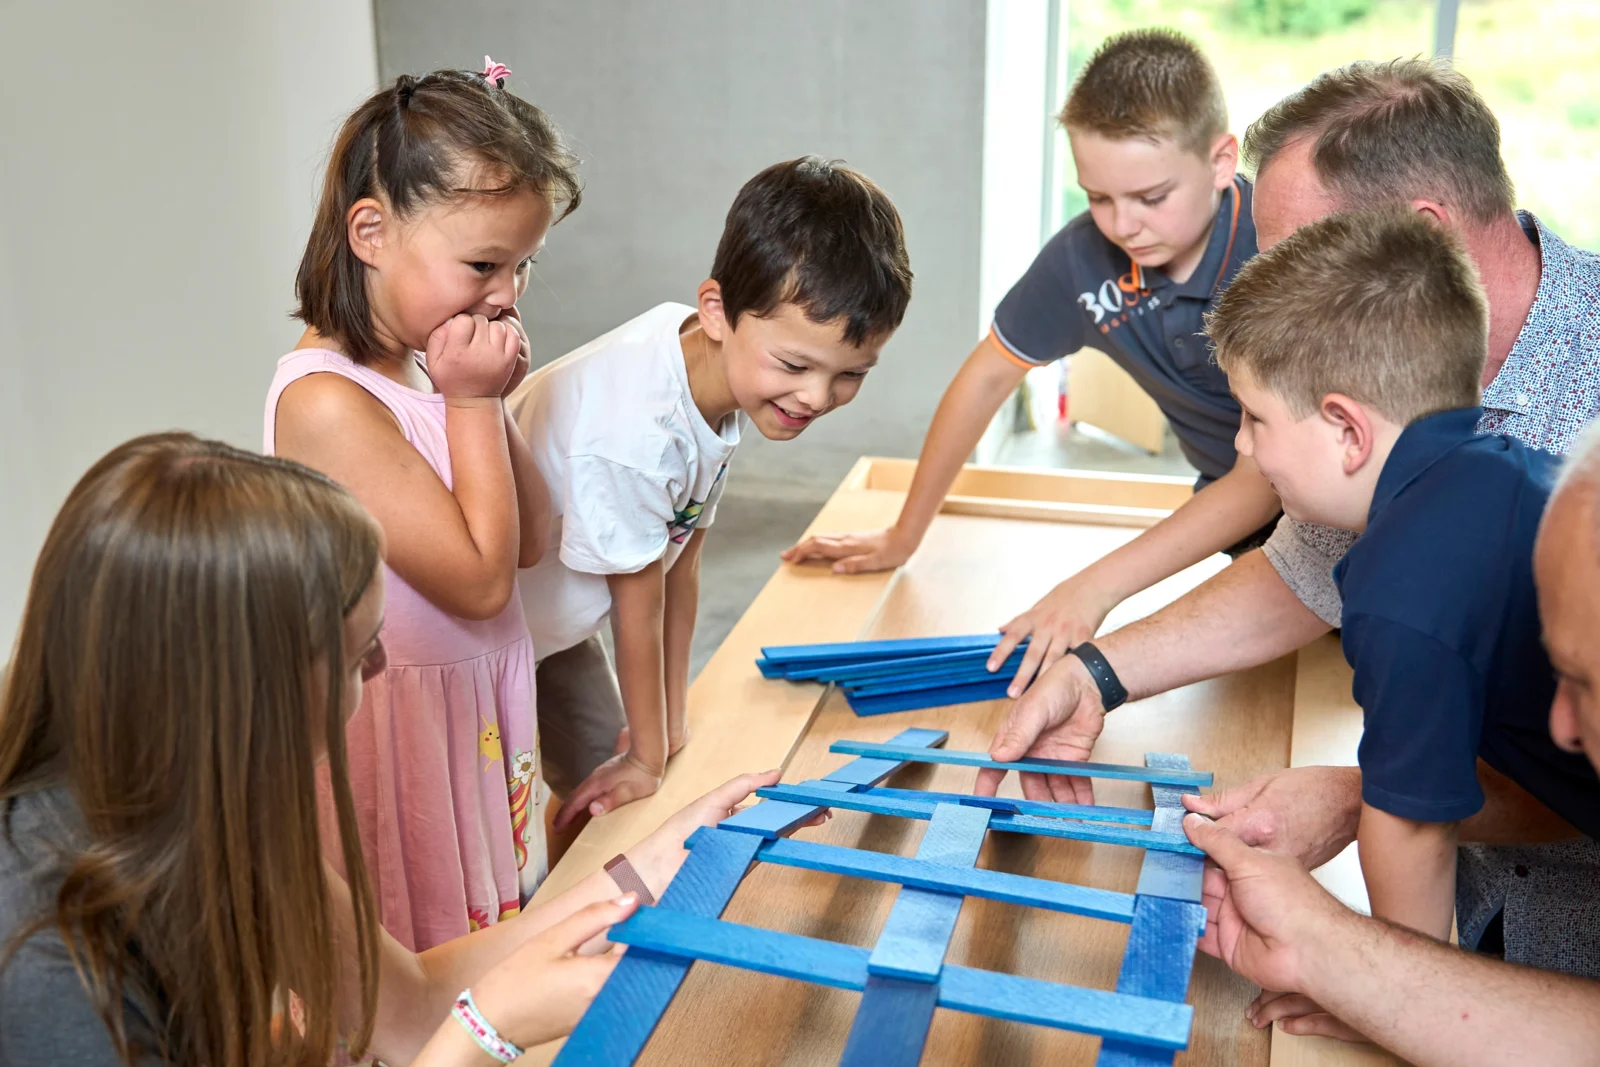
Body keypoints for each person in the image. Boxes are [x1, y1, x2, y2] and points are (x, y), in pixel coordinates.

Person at [978, 57, 1600, 979]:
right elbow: (1303, 570)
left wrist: (1378, 968)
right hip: (1475, 923)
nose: (1268, 283)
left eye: (1297, 257)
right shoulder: (1412, 439)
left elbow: (1447, 807)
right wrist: (1099, 673)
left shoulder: (1406, 557)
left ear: (1419, 236)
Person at [0, 433, 787, 1067]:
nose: (379, 670)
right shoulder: (48, 961)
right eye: (356, 654)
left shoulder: (210, 803)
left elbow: (406, 1005)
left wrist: (649, 866)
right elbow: (438, 1026)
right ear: (248, 693)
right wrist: (488, 1031)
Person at [781, 29, 1274, 695]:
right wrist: (905, 533)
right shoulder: (1082, 259)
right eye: (1098, 197)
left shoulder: (1276, 250)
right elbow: (986, 377)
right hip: (1242, 523)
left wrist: (1092, 588)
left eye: (1151, 197)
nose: (1123, 224)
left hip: (1328, 502)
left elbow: (1264, 475)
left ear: (1220, 161)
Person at [1206, 206, 1600, 1037]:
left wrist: (1381, 997)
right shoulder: (1494, 468)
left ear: (1347, 430)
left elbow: (1411, 827)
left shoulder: (1399, 582)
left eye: (1255, 417)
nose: (1243, 446)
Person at [508, 157, 912, 831]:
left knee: (602, 790)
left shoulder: (717, 370)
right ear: (717, 310)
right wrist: (646, 754)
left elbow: (681, 563)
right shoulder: (638, 428)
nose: (816, 397)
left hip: (556, 625)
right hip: (480, 639)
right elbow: (637, 604)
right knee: (507, 816)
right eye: (795, 365)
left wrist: (667, 725)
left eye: (851, 374)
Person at [265, 60, 570, 951]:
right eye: (482, 264)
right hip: (402, 730)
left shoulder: (420, 370)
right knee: (421, 949)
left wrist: (483, 401)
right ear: (370, 231)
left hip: (470, 714)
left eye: (522, 266)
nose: (506, 294)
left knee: (482, 940)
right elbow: (479, 583)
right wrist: (470, 402)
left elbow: (534, 535)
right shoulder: (326, 401)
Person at [1180, 420, 1600, 1064]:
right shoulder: (1494, 481)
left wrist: (1375, 977)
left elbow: (1418, 826)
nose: (1562, 727)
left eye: (1585, 683)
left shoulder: (1407, 577)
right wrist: (1350, 964)